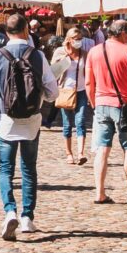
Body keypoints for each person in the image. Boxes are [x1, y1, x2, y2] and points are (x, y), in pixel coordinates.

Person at [0, 11, 56, 239]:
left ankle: (9, 210)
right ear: (25, 30)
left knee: (5, 169)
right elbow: (53, 92)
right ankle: (27, 217)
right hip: (31, 121)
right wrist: (40, 96)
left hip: (5, 121)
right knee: (28, 169)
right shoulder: (38, 56)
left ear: (6, 32)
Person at [86, 18, 127, 204]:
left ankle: (99, 193)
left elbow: (88, 82)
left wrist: (94, 103)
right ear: (122, 33)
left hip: (101, 104)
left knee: (102, 150)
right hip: (124, 106)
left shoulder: (94, 51)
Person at [50, 33, 90, 165]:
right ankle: (69, 153)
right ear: (69, 39)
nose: (79, 41)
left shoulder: (84, 53)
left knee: (81, 121)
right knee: (67, 124)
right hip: (65, 91)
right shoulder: (60, 52)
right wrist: (64, 56)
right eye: (76, 39)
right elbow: (53, 70)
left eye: (80, 38)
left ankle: (80, 153)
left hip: (81, 91)